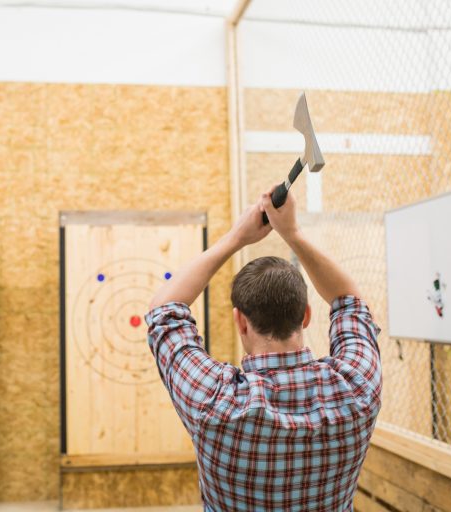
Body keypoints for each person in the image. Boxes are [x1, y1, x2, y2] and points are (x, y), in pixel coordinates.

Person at [146, 187, 382, 511]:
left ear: (240, 322)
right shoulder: (356, 387)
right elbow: (350, 302)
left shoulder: (213, 400)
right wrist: (293, 234)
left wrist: (236, 238)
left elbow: (163, 310)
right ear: (306, 316)